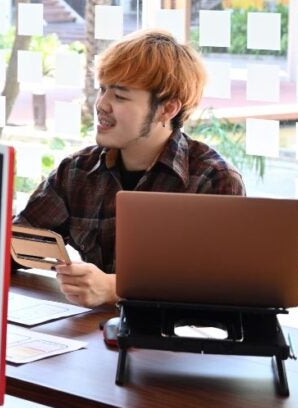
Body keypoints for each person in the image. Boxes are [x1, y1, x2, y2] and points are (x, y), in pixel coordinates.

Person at [15, 29, 245, 308]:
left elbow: (224, 288)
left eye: (120, 96)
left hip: (177, 346)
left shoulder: (214, 180)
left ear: (167, 109)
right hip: (96, 337)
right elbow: (17, 246)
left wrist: (117, 288)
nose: (101, 104)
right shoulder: (77, 172)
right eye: (103, 90)